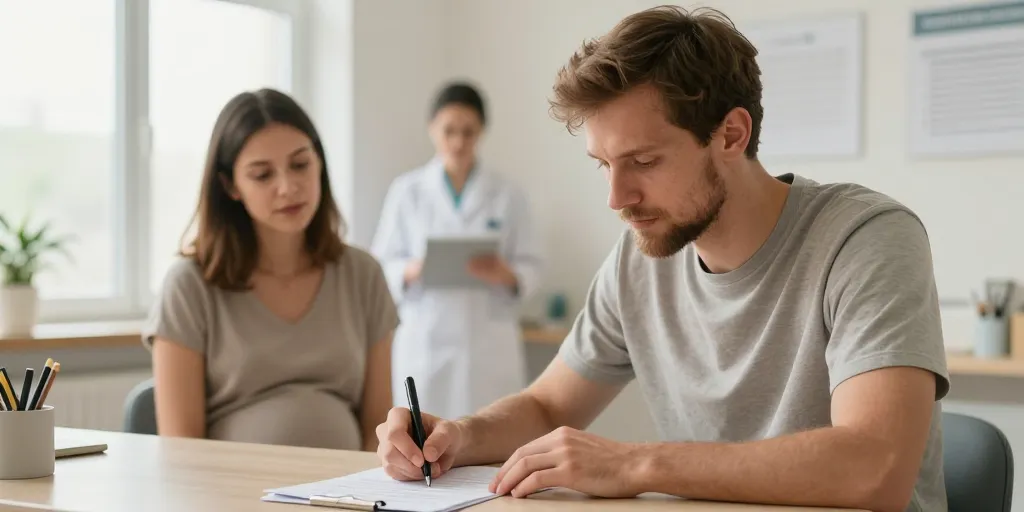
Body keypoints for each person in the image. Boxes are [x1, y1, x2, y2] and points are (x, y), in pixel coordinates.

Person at [375, 7, 949, 512]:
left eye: (643, 162)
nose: (616, 199)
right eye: (604, 164)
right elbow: (548, 404)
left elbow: (877, 465)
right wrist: (457, 435)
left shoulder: (866, 239)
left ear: (731, 135)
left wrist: (635, 465)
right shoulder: (640, 257)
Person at [143, 88, 398, 452]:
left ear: (320, 163)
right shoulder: (189, 286)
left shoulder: (363, 275)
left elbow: (377, 433)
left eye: (300, 164)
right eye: (262, 175)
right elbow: (180, 451)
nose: (288, 187)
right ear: (230, 185)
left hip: (345, 500)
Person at [370, 82, 544, 420]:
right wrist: (414, 269)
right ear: (432, 128)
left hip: (487, 344)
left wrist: (506, 274)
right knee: (424, 439)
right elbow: (382, 263)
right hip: (427, 338)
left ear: (482, 132)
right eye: (449, 130)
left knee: (491, 440)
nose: (459, 142)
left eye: (469, 132)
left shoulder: (508, 194)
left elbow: (534, 265)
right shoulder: (408, 192)